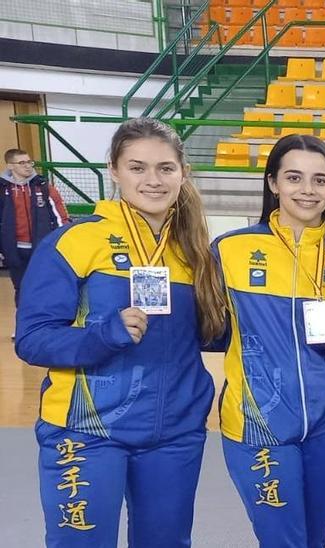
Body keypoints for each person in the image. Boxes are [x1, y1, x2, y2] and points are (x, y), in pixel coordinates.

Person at [15, 118, 227, 546]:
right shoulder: (74, 241)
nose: (153, 180)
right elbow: (33, 338)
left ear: (183, 173)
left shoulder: (196, 250)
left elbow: (207, 336)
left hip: (175, 432)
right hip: (88, 428)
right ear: (113, 170)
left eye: (166, 168)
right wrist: (103, 334)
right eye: (137, 167)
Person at [212, 133, 325, 546]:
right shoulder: (230, 250)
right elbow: (207, 328)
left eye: (320, 180)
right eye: (294, 178)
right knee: (282, 540)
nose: (308, 190)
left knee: (314, 538)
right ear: (273, 183)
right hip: (258, 421)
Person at [1, 148, 70, 309]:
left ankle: (47, 324)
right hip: (14, 250)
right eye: (22, 162)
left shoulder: (44, 186)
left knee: (45, 287)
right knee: (21, 288)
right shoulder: (2, 189)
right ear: (10, 166)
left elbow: (61, 217)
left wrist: (61, 242)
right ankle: (23, 325)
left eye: (29, 162)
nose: (28, 166)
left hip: (42, 248)